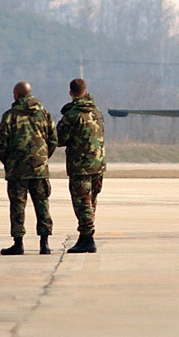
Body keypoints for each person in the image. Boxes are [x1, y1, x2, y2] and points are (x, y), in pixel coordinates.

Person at [0, 81, 57, 255]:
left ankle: (18, 243)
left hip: (17, 170)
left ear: (16, 95)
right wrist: (43, 158)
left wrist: (9, 162)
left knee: (17, 206)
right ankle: (44, 243)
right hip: (39, 168)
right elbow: (53, 140)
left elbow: (1, 143)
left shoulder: (10, 116)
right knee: (42, 204)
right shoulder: (44, 114)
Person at [56, 78, 106, 253]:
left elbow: (59, 139)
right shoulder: (97, 112)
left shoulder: (72, 115)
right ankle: (85, 236)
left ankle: (87, 238)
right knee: (91, 202)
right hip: (98, 165)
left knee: (82, 203)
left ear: (71, 93)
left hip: (81, 166)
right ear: (85, 91)